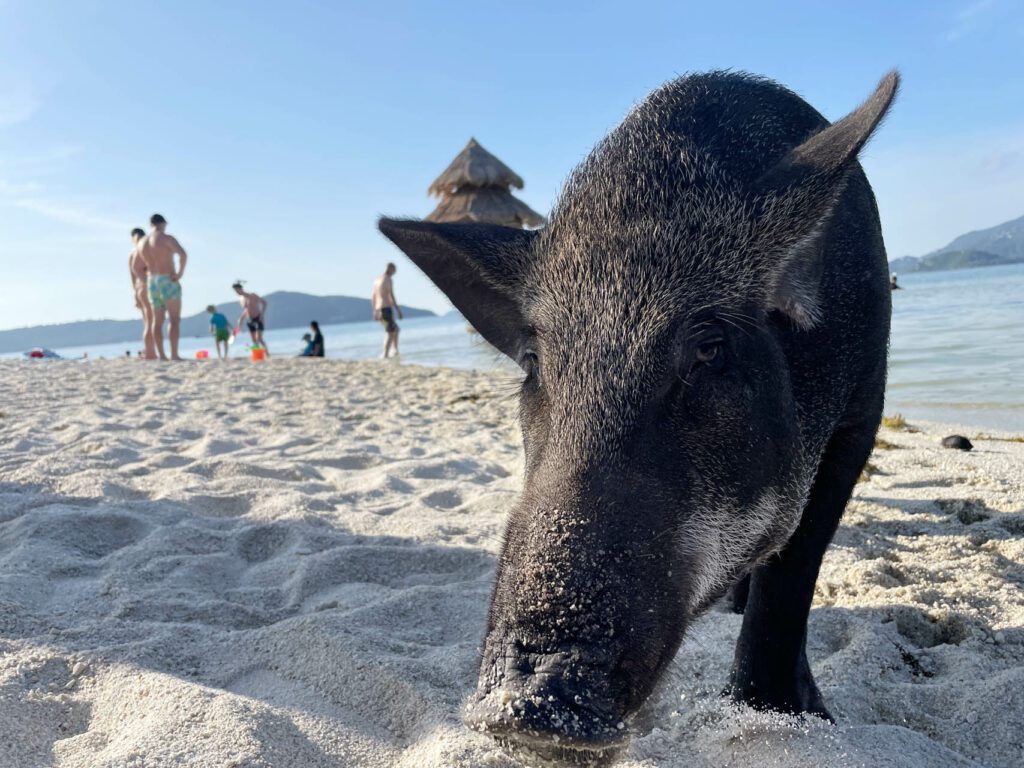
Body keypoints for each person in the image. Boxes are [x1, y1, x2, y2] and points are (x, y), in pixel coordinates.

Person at [137, 213, 188, 360]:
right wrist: (179, 273)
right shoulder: (166, 238)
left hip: (152, 281)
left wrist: (143, 279)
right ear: (162, 223)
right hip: (167, 279)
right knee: (174, 319)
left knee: (156, 320)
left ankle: (162, 355)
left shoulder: (142, 243)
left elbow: (137, 267)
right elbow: (183, 254)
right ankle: (174, 354)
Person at [128, 227, 156, 359]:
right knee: (151, 321)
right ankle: (150, 352)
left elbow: (132, 278)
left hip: (139, 288)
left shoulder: (132, 253)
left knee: (147, 321)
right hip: (146, 285)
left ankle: (149, 351)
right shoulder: (144, 252)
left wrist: (135, 295)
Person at [372, 263, 403, 358]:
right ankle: (385, 355)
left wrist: (375, 311)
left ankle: (395, 351)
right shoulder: (388, 280)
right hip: (386, 308)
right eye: (394, 270)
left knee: (396, 329)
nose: (395, 272)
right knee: (390, 332)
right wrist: (398, 310)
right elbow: (391, 296)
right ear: (390, 269)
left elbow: (373, 296)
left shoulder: (377, 280)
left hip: (379, 308)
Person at [233, 282, 270, 355]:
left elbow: (264, 303)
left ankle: (267, 354)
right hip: (249, 320)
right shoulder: (241, 299)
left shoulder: (252, 295)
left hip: (258, 318)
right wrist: (241, 318)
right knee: (253, 340)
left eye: (237, 290)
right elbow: (246, 310)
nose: (236, 293)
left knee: (259, 338)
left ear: (241, 289)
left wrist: (262, 314)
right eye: (235, 291)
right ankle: (258, 355)